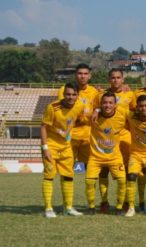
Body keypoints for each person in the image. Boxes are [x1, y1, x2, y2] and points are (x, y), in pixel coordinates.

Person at [92, 68, 134, 213]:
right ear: (109, 79)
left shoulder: (130, 94)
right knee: (103, 170)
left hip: (124, 136)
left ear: (123, 79)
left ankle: (125, 201)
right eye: (113, 78)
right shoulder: (100, 95)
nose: (116, 80)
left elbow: (135, 113)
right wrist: (97, 110)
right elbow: (95, 108)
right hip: (106, 137)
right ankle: (104, 202)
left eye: (118, 77)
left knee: (127, 171)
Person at [40, 82, 85, 218]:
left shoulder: (79, 106)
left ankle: (68, 207)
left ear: (77, 95)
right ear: (63, 94)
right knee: (49, 176)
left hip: (66, 146)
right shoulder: (52, 107)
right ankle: (48, 208)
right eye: (68, 94)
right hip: (51, 146)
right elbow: (43, 127)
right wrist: (45, 148)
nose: (70, 97)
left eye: (73, 94)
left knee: (68, 176)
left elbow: (79, 118)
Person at [85, 92, 128, 215]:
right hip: (96, 157)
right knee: (89, 182)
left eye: (110, 103)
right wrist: (96, 110)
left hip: (114, 156)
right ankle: (92, 207)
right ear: (100, 104)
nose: (107, 105)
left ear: (115, 105)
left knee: (121, 181)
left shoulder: (122, 115)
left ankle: (119, 207)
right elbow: (82, 109)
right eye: (104, 103)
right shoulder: (93, 116)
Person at [57, 63, 98, 168]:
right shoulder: (64, 90)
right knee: (66, 166)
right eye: (80, 73)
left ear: (90, 76)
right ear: (75, 75)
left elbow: (98, 109)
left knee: (89, 166)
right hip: (70, 135)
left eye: (85, 74)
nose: (83, 76)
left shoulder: (94, 92)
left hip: (87, 136)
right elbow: (62, 110)